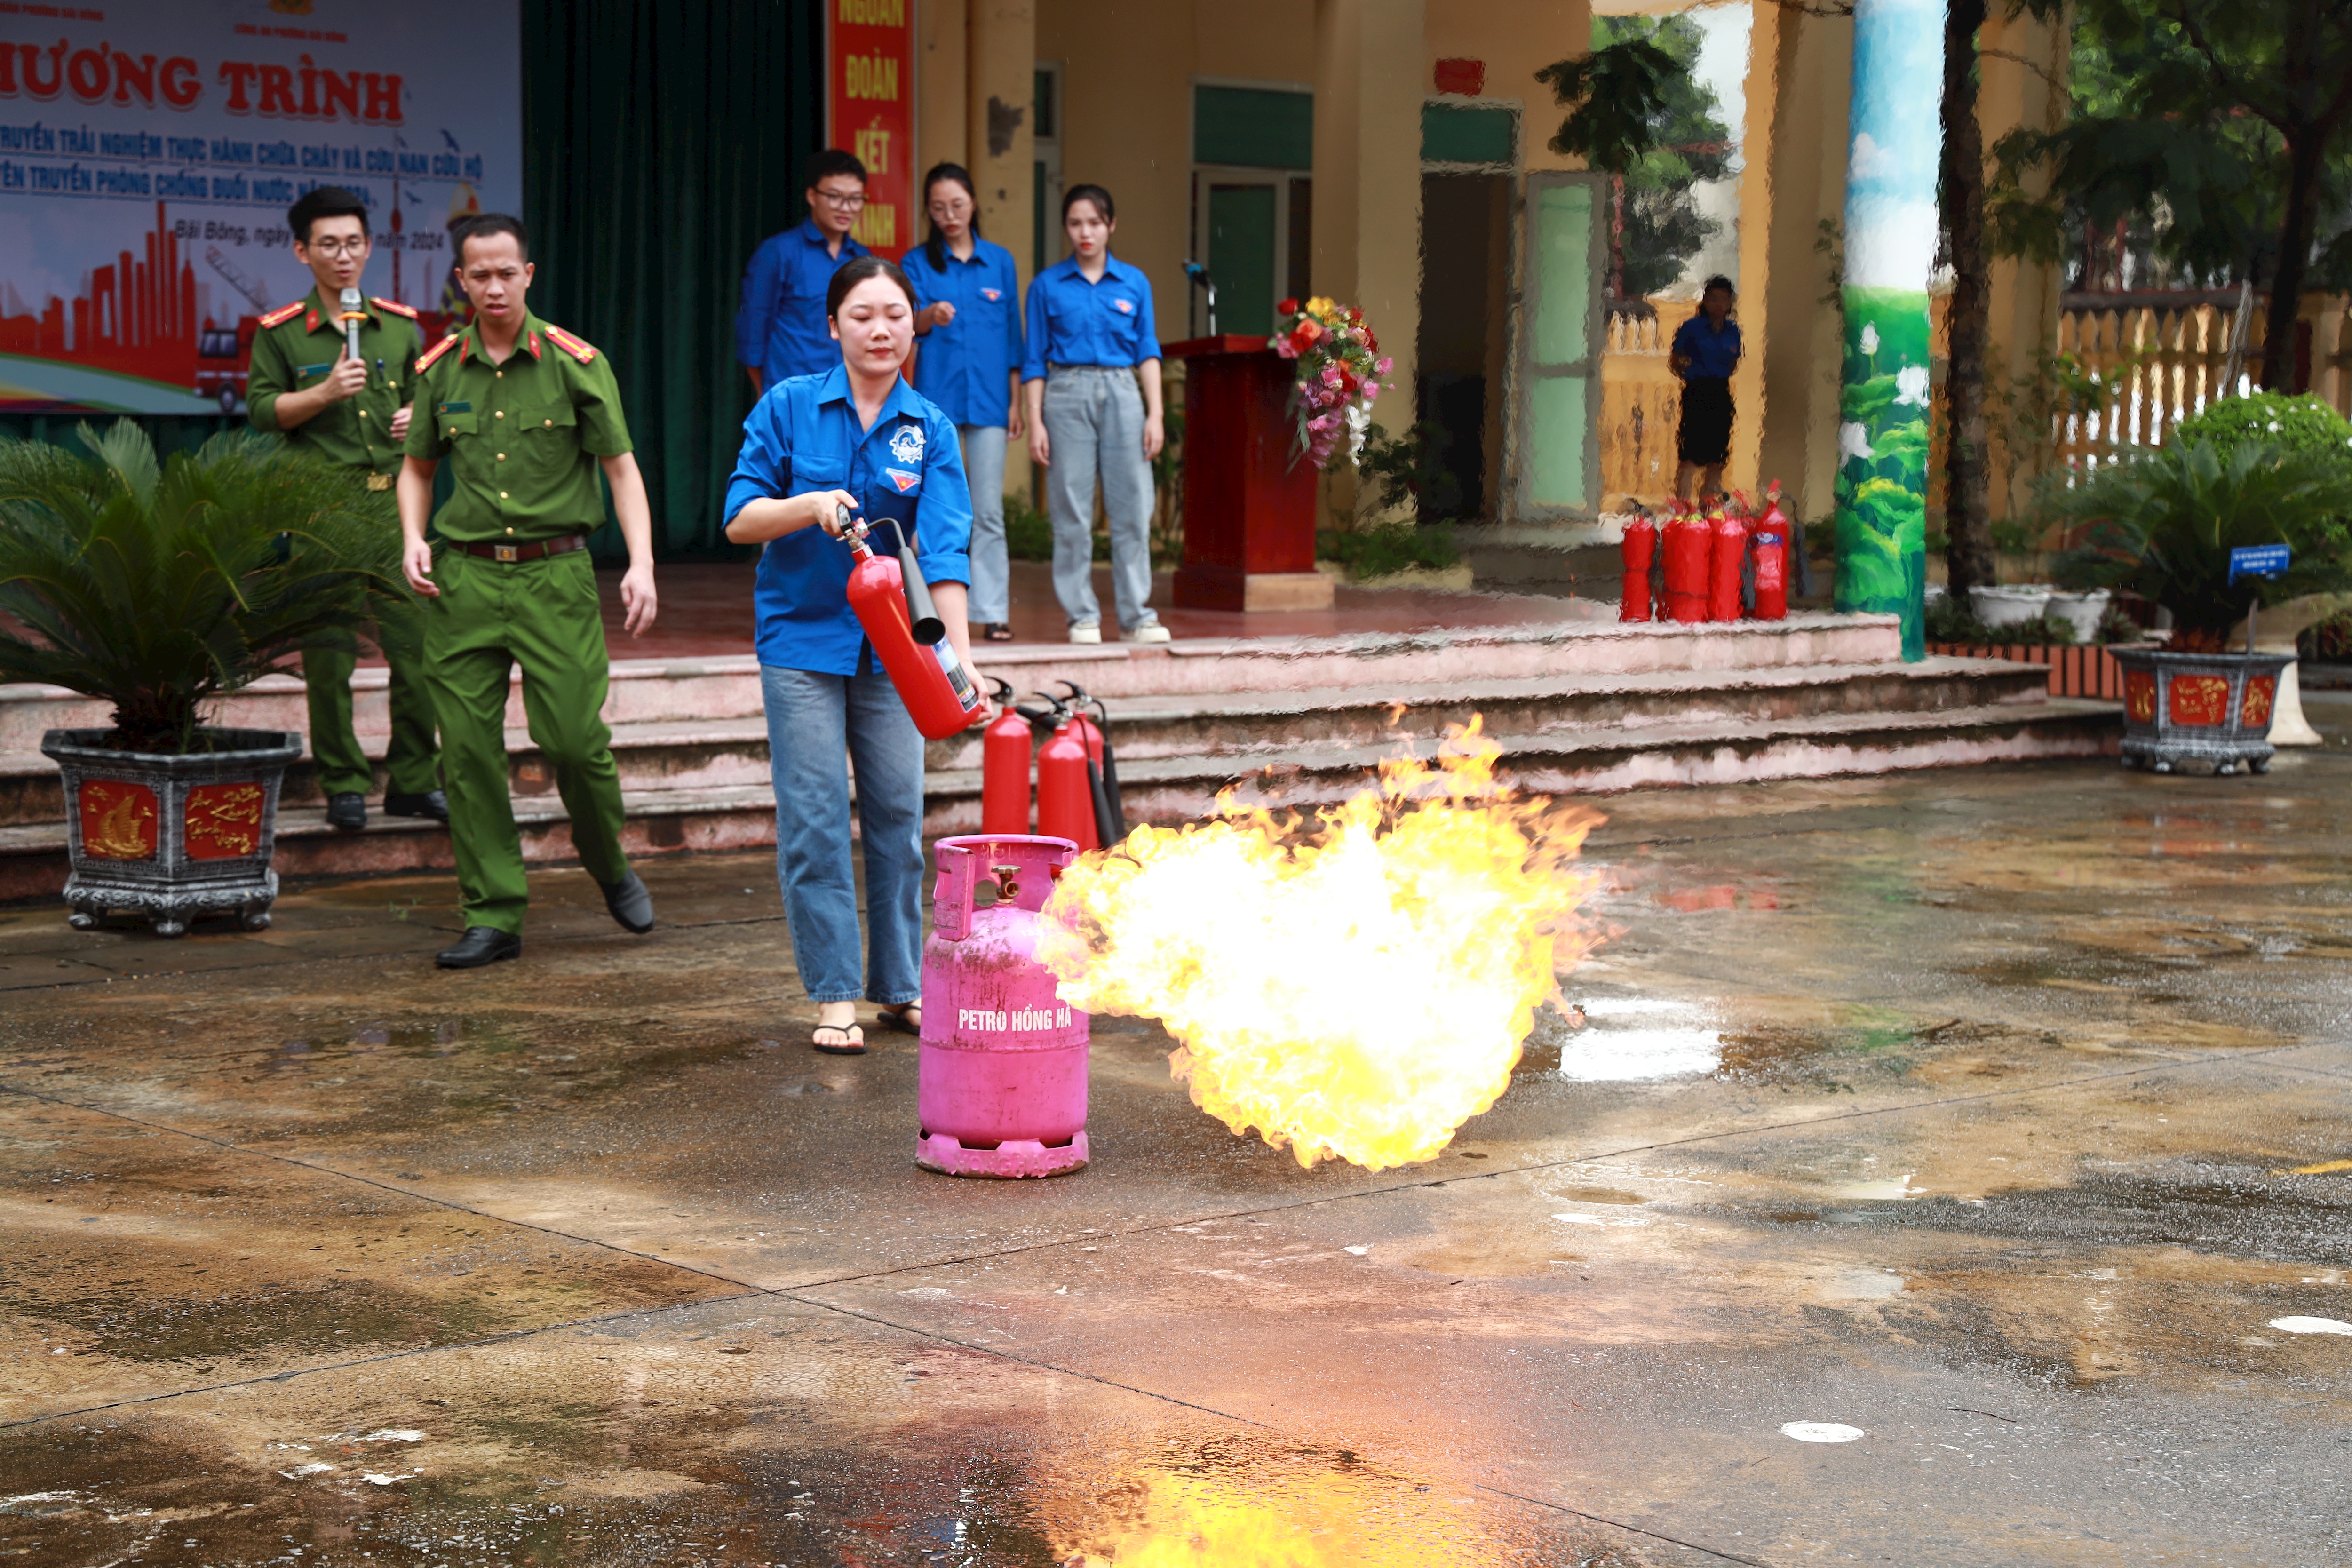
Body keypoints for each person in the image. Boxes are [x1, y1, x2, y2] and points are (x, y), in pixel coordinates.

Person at [722, 256, 975, 1054]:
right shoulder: (789, 407)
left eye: (896, 314)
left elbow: (944, 556)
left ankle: (899, 986)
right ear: (832, 325)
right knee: (817, 820)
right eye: (863, 314)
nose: (880, 329)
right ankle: (834, 994)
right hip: (800, 641)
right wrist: (808, 505)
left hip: (896, 651)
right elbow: (739, 517)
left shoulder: (929, 426)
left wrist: (959, 663)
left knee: (900, 817)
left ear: (913, 325)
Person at [397, 214, 660, 969]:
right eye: (478, 275)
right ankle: (493, 913)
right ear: (462, 282)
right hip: (466, 578)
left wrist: (640, 561)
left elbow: (620, 468)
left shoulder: (577, 363)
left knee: (576, 742)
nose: (493, 287)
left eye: (506, 273)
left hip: (556, 576)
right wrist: (414, 538)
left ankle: (606, 859)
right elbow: (417, 469)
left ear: (528, 274)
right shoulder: (440, 369)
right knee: (468, 756)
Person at [246, 186, 445, 835]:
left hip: (394, 512)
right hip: (322, 516)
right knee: (329, 659)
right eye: (328, 244)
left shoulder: (399, 324)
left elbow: (431, 405)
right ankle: (343, 784)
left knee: (416, 652)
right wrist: (325, 392)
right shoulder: (278, 333)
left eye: (354, 243)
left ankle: (414, 780)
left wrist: (421, 419)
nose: (344, 256)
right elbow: (262, 412)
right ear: (303, 251)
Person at [1022, 184, 1168, 645]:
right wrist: (1036, 420)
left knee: (1132, 507)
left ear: (1111, 226)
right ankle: (1081, 615)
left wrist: (1155, 414)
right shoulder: (1046, 285)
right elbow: (1032, 359)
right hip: (1064, 392)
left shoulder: (1134, 282)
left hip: (1124, 392)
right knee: (1070, 510)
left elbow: (1147, 350)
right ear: (1065, 227)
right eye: (1075, 223)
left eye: (1094, 223)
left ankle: (1136, 616)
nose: (1085, 233)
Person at [904, 162, 1024, 643]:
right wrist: (927, 316)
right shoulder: (917, 262)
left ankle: (993, 609)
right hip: (936, 403)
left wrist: (1016, 403)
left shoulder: (1000, 262)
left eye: (956, 205)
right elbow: (904, 323)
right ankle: (928, 605)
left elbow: (1013, 337)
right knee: (934, 505)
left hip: (993, 402)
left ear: (973, 203)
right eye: (937, 208)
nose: (948, 215)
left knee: (988, 509)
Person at [736, 150, 871, 397]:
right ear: (812, 195)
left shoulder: (863, 260)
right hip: (792, 395)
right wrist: (766, 398)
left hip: (849, 394)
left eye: (855, 199)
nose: (846, 208)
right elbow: (753, 332)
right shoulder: (778, 253)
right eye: (834, 197)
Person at [1670, 275, 1743, 507]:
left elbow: (1734, 362)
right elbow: (1675, 360)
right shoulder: (1692, 328)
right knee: (1691, 455)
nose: (1719, 304)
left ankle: (1707, 510)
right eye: (1714, 298)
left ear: (1730, 303)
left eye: (1724, 299)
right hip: (1697, 393)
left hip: (1720, 393)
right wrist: (1689, 375)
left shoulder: (1733, 331)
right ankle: (1682, 511)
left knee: (1717, 458)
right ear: (1706, 300)